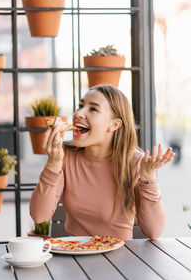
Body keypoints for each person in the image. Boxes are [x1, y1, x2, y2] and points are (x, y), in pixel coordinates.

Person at [30, 85, 175, 240]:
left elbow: (155, 232)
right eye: (80, 106)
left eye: (93, 109)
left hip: (120, 257)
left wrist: (148, 178)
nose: (78, 113)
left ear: (114, 125)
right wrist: (53, 163)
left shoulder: (135, 162)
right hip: (75, 253)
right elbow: (39, 215)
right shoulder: (65, 155)